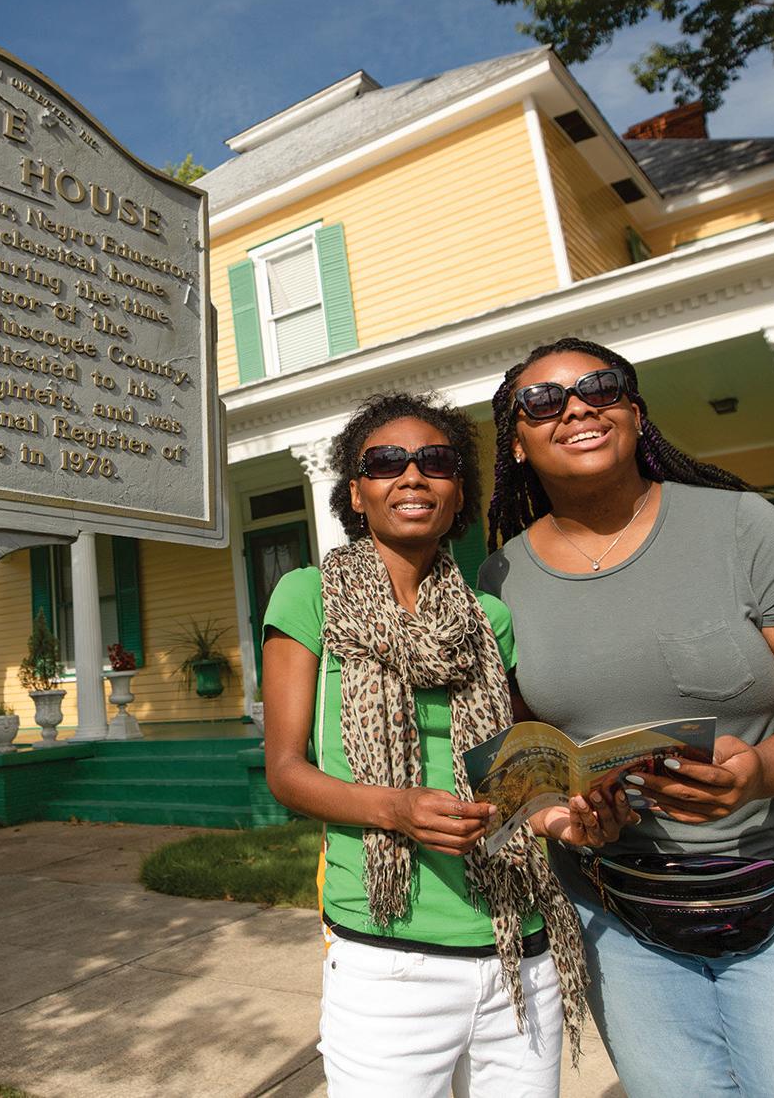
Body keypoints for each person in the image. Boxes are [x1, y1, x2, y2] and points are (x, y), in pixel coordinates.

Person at [480, 338, 774, 1097]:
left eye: (600, 387)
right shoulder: (502, 576)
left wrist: (762, 772)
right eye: (544, 401)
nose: (577, 408)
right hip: (618, 917)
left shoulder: (741, 526)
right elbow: (519, 750)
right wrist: (565, 816)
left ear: (635, 413)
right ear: (517, 443)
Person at [261, 391, 632, 1097]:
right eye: (385, 462)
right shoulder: (308, 597)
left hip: (518, 942)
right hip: (390, 956)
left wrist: (564, 818)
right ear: (356, 493)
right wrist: (394, 809)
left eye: (436, 461)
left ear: (458, 492)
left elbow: (515, 776)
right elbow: (285, 770)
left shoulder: (490, 616)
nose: (412, 474)